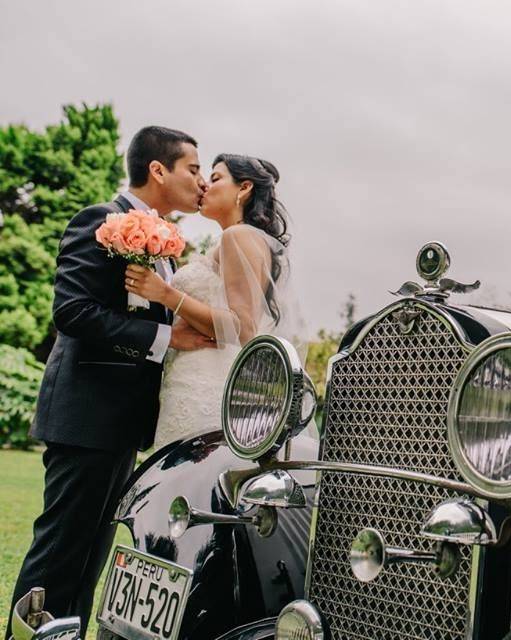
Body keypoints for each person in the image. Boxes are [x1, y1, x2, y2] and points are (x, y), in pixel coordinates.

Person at [5, 126, 215, 638]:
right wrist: (166, 340)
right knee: (60, 552)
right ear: (158, 170)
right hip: (86, 414)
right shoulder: (99, 222)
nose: (201, 180)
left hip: (124, 423)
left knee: (90, 556)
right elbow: (72, 311)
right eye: (193, 168)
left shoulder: (164, 243)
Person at [124, 153, 300, 447]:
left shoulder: (238, 237)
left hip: (202, 387)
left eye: (216, 178)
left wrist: (165, 294)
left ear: (244, 189)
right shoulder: (242, 239)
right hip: (200, 379)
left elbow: (242, 327)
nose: (204, 185)